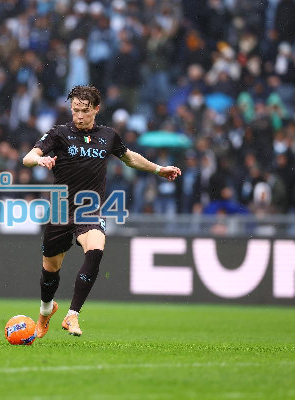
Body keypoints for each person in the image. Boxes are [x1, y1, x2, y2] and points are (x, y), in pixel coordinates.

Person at [22, 85, 181, 337]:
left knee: (95, 250)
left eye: (84, 111)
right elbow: (28, 157)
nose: (79, 116)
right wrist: (39, 159)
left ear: (96, 109)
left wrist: (159, 169)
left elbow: (129, 157)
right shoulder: (59, 133)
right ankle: (46, 310)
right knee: (50, 272)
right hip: (61, 210)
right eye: (75, 110)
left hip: (90, 210)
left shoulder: (108, 136)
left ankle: (72, 315)